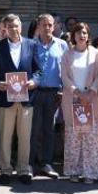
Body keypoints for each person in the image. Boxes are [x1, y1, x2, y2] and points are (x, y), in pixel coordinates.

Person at [0, 14, 40, 185]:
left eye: (16, 26)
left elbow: (38, 70)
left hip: (27, 98)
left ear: (21, 27)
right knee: (5, 136)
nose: (13, 29)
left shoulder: (32, 45)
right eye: (10, 26)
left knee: (25, 136)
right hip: (6, 99)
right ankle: (5, 170)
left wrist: (34, 81)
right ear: (5, 28)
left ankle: (24, 169)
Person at [60, 22, 98, 184]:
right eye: (78, 33)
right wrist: (77, 92)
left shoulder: (96, 54)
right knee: (73, 138)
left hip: (91, 100)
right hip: (73, 100)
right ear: (73, 36)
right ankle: (73, 171)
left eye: (84, 32)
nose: (82, 35)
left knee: (91, 138)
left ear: (88, 35)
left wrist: (91, 92)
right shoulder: (67, 55)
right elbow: (64, 76)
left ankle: (90, 173)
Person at [31, 13, 68, 179]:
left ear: (54, 26)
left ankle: (46, 163)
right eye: (43, 25)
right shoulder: (31, 45)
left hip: (54, 93)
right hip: (34, 93)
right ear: (38, 26)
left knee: (49, 129)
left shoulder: (62, 45)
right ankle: (31, 164)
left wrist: (62, 89)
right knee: (34, 129)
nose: (47, 28)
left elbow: (66, 70)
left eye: (50, 25)